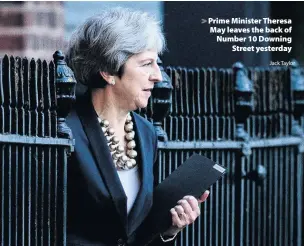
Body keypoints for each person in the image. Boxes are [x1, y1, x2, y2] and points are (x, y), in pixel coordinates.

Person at [65, 7, 209, 246]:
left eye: (157, 63)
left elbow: (133, 234)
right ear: (109, 71)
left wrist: (169, 229)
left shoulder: (145, 132)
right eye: (146, 64)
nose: (158, 76)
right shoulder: (67, 131)